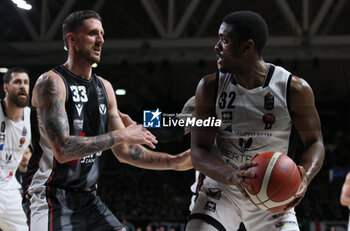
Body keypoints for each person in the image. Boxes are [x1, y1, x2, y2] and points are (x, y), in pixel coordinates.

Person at [25, 10, 192, 231]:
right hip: (50, 196)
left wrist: (174, 161)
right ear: (72, 39)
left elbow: (124, 152)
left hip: (89, 198)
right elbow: (63, 150)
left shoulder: (105, 88)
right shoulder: (51, 83)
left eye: (102, 34)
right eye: (93, 34)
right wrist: (121, 134)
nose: (101, 40)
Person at [186, 11, 325, 231]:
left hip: (274, 187)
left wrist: (304, 176)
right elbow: (198, 152)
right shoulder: (210, 87)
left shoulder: (294, 89)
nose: (216, 47)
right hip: (223, 187)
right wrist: (234, 176)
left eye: (224, 40)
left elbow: (315, 143)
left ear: (247, 46)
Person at [0, 67, 31, 231]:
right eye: (17, 82)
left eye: (26, 82)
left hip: (10, 189)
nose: (22, 86)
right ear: (6, 87)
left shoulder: (32, 118)